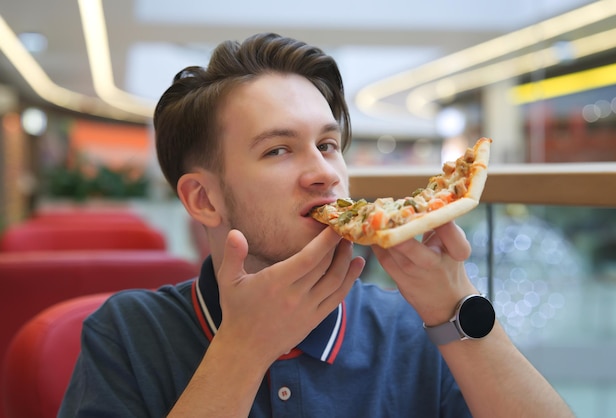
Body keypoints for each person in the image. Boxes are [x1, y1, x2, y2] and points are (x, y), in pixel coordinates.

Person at [59, 32, 574, 417]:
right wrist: (244, 349)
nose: (325, 172)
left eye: (328, 145)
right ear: (204, 199)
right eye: (278, 149)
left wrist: (454, 308)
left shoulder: (413, 326)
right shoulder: (126, 333)